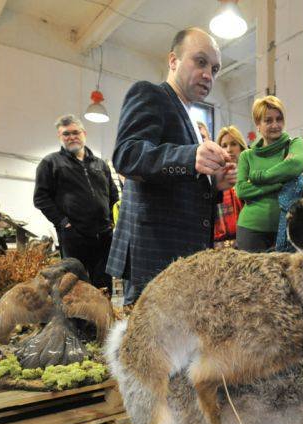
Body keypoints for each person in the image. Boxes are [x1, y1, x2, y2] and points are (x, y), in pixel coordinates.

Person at [107, 27, 237, 306]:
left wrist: (215, 185)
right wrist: (190, 157)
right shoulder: (150, 94)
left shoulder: (187, 114)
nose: (208, 75)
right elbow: (127, 156)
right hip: (154, 252)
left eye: (214, 69)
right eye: (200, 62)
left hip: (177, 255)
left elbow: (175, 183)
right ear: (173, 60)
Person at [34, 114, 118, 293]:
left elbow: (113, 194)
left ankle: (103, 320)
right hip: (74, 236)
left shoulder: (100, 165)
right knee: (75, 287)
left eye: (75, 132)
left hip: (103, 236)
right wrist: (64, 222)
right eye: (66, 134)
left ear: (84, 133)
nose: (71, 137)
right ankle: (79, 321)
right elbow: (41, 198)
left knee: (103, 286)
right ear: (60, 137)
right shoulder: (51, 163)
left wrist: (111, 220)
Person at [235, 95, 303, 252]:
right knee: (252, 277)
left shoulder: (294, 144)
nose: (275, 125)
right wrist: (281, 183)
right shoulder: (247, 155)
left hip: (287, 230)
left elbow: (295, 164)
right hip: (250, 229)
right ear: (258, 125)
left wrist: (259, 178)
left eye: (279, 119)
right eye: (268, 120)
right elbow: (241, 190)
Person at [214, 125, 246, 248]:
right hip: (217, 247)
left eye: (233, 144)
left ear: (241, 147)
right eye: (224, 145)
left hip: (246, 242)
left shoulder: (251, 176)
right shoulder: (214, 179)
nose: (229, 149)